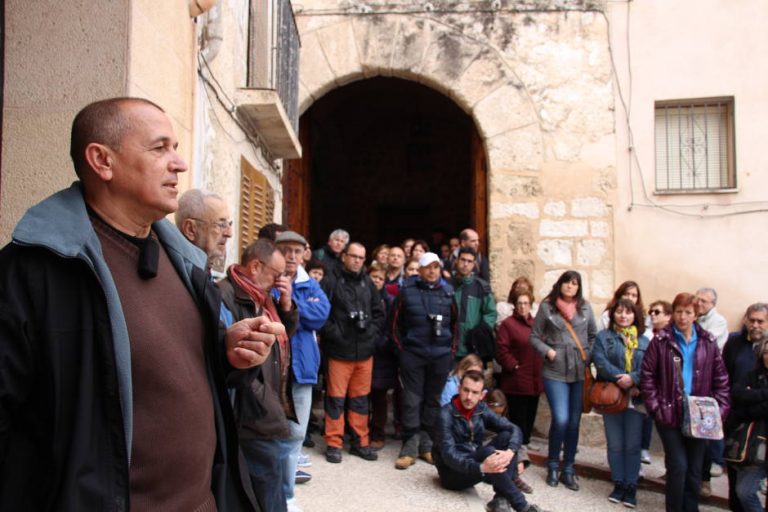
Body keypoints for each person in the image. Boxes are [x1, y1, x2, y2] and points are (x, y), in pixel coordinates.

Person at [0, 97, 281, 511]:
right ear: (102, 160)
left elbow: (165, 377)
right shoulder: (33, 272)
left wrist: (225, 355)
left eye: (176, 148)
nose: (180, 164)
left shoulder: (185, 263)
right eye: (159, 148)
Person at [218, 239, 299, 512]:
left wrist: (286, 306)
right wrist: (263, 399)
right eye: (276, 275)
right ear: (255, 266)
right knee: (267, 495)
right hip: (253, 415)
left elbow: (280, 338)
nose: (279, 282)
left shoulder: (261, 298)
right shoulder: (226, 296)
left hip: (264, 408)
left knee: (267, 487)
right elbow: (228, 360)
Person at [639, 292, 730, 512]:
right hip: (669, 412)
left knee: (695, 470)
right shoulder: (661, 341)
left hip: (700, 415)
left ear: (695, 314)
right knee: (678, 465)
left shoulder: (708, 341)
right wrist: (656, 407)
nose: (682, 317)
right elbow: (647, 375)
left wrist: (719, 411)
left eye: (688, 312)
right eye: (678, 311)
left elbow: (721, 379)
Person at [274, 231, 331, 512]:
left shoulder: (310, 284)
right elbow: (271, 313)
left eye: (297, 251)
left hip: (304, 367)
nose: (292, 257)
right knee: (271, 434)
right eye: (287, 251)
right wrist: (294, 310)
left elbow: (321, 315)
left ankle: (287, 494)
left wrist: (292, 307)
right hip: (274, 368)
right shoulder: (269, 280)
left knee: (296, 434)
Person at [433, 370, 544, 512]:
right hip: (452, 474)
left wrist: (511, 452)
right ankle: (523, 507)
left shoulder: (481, 409)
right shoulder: (445, 414)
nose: (469, 397)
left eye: (474, 392)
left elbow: (514, 429)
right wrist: (481, 468)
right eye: (466, 390)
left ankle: (500, 499)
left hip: (477, 463)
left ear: (482, 395)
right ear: (459, 389)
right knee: (489, 453)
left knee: (506, 437)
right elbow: (448, 456)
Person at [529, 270, 597, 491]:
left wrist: (588, 358)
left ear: (579, 287)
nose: (570, 286)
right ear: (560, 284)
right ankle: (552, 465)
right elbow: (534, 336)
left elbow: (594, 335)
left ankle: (568, 467)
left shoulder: (585, 308)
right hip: (555, 371)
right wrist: (548, 352)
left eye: (575, 283)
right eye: (567, 282)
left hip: (578, 372)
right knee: (560, 419)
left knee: (574, 422)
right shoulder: (547, 307)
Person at [320, 242, 385, 463]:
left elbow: (378, 312)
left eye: (361, 257)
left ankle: (360, 442)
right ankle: (334, 443)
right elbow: (321, 313)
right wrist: (335, 333)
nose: (358, 260)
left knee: (360, 400)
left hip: (364, 352)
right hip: (339, 352)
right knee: (335, 400)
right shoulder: (330, 281)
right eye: (354, 256)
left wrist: (371, 334)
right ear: (344, 256)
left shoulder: (368, 282)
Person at [391, 252, 457, 470]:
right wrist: (403, 352)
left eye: (436, 267)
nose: (432, 271)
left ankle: (427, 444)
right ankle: (409, 444)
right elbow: (394, 326)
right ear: (419, 270)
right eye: (428, 267)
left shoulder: (448, 292)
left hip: (440, 356)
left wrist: (450, 353)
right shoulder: (406, 291)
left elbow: (457, 326)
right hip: (413, 355)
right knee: (411, 400)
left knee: (433, 400)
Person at [592, 298, 650, 508]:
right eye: (619, 312)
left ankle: (631, 485)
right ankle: (618, 482)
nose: (623, 316)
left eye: (628, 312)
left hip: (635, 399)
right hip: (612, 398)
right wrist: (623, 379)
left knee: (633, 445)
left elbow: (648, 367)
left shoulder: (644, 341)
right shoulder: (603, 337)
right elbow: (600, 362)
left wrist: (634, 379)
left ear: (635, 315)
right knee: (615, 443)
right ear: (613, 314)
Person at [722, 303, 768, 512]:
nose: (755, 325)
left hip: (762, 434)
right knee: (735, 487)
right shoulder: (735, 343)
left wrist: (750, 398)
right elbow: (732, 386)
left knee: (747, 490)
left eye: (761, 321)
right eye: (752, 320)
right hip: (736, 425)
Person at [496, 289, 543, 451]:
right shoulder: (508, 324)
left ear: (531, 305)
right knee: (518, 419)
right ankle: (516, 450)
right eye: (519, 303)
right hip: (516, 380)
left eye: (526, 303)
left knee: (530, 418)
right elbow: (501, 350)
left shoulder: (537, 323)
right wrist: (513, 365)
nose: (523, 307)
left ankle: (524, 446)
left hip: (534, 379)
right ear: (515, 306)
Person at [695, 287, 729, 489]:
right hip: (690, 379)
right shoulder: (693, 317)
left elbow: (708, 345)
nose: (699, 304)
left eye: (704, 301)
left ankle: (707, 473)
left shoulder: (719, 322)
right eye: (697, 299)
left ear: (712, 305)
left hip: (707, 381)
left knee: (706, 429)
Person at [368, 262, 398, 450]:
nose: (377, 281)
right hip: (362, 350)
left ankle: (378, 432)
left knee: (379, 395)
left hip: (382, 354)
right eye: (374, 277)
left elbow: (393, 326)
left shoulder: (390, 300)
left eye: (381, 278)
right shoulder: (361, 296)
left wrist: (381, 343)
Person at [641, 299, 673, 465]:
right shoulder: (646, 335)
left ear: (668, 316)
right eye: (651, 312)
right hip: (650, 387)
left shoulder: (673, 336)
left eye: (657, 312)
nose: (652, 315)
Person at [452, 247, 497, 361]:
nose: (465, 264)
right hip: (449, 347)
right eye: (463, 260)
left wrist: (479, 332)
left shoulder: (482, 287)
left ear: (474, 264)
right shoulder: (447, 285)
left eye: (469, 261)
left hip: (471, 349)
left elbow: (491, 313)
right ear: (457, 260)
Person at [175, 188, 233, 271]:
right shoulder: (174, 274)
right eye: (221, 224)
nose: (229, 233)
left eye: (229, 224)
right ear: (190, 229)